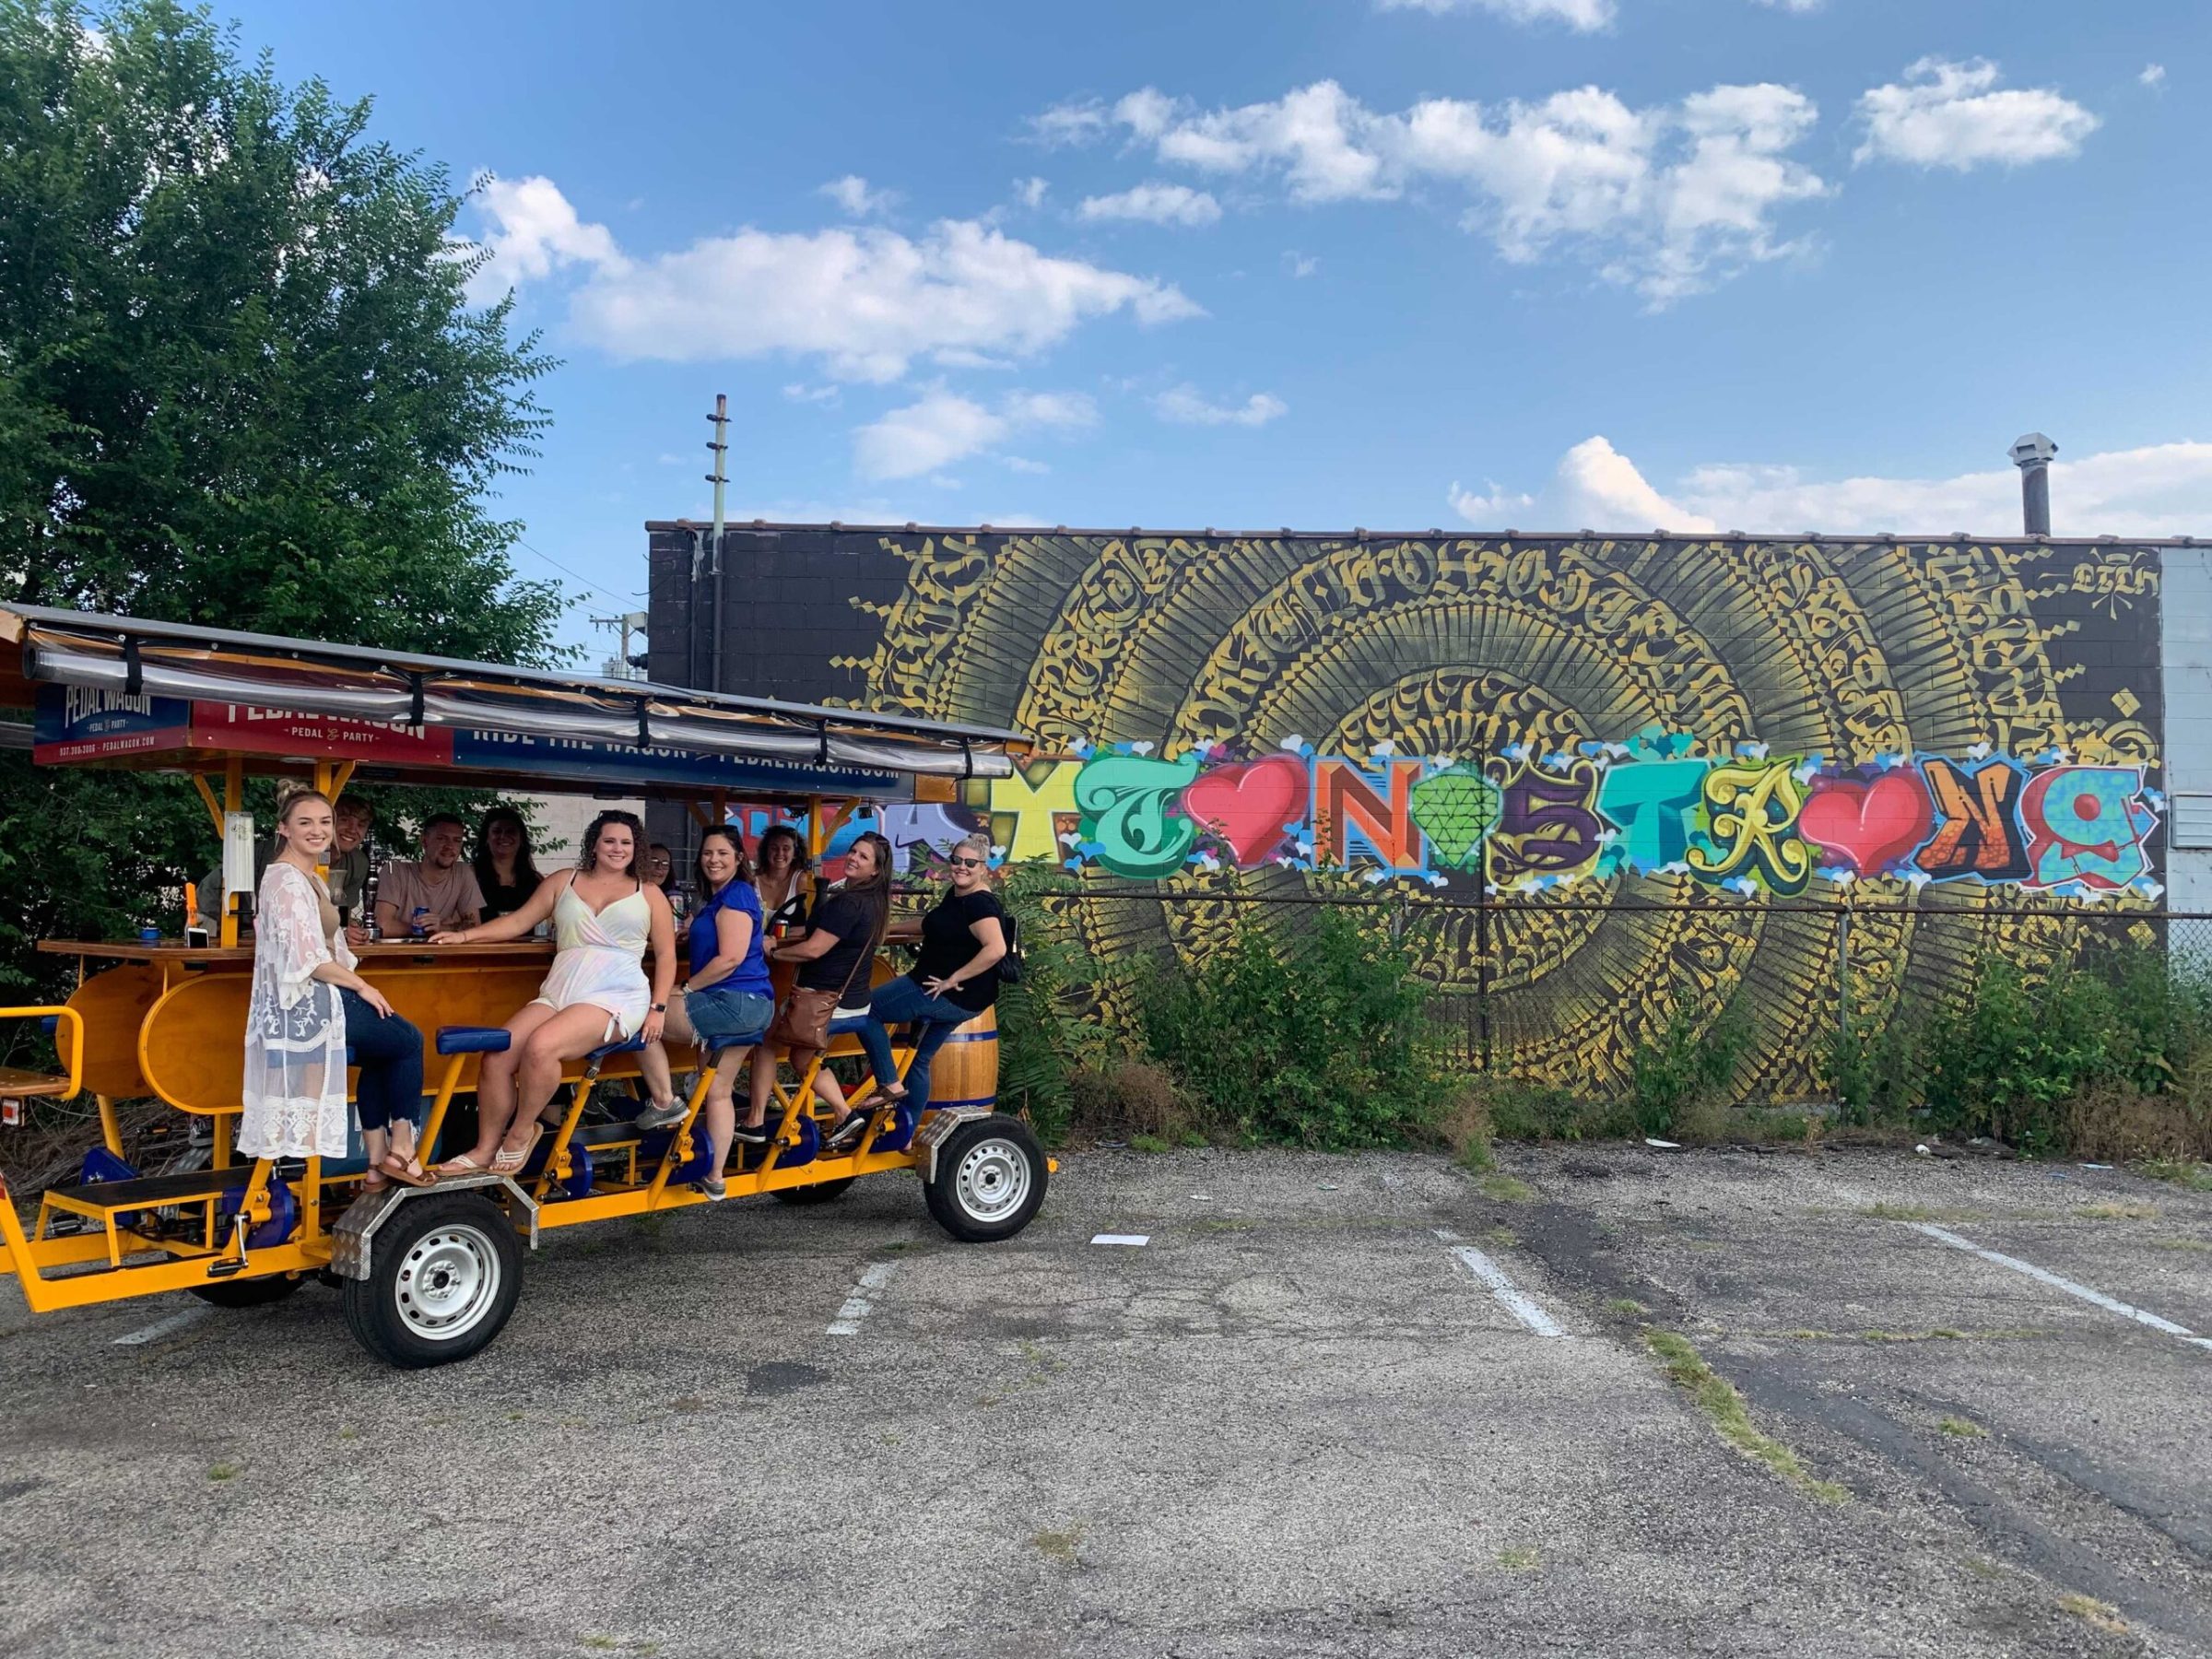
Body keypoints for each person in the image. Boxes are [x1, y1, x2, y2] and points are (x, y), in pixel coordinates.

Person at [429, 810, 676, 1176]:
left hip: (616, 993)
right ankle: (484, 1148)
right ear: (594, 844)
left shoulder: (649, 893)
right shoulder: (564, 880)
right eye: (609, 840)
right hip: (562, 988)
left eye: (626, 842)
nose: (617, 848)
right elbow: (518, 921)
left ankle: (522, 1131)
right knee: (497, 1057)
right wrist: (464, 936)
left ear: (635, 848)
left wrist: (658, 1008)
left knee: (542, 1046)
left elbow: (667, 955)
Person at [241, 786, 430, 1188]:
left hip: (317, 994)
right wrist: (362, 987)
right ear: (283, 828)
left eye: (324, 822)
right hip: (310, 1002)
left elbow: (325, 944)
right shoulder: (287, 881)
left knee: (384, 1050)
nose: (318, 830)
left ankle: (378, 1163)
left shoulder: (307, 876)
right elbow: (308, 959)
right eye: (305, 822)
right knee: (408, 1041)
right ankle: (402, 1149)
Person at [634, 827, 775, 1199]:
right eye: (708, 853)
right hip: (750, 1006)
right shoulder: (719, 899)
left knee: (635, 1013)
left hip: (733, 1002)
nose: (714, 860)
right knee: (717, 1090)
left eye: (723, 853)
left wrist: (687, 987)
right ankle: (714, 1176)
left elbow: (730, 958)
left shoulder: (737, 893)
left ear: (739, 859)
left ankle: (664, 1101)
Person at [747, 831, 892, 1151]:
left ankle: (755, 1121)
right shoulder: (874, 902)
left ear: (875, 870)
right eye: (853, 851)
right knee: (801, 1056)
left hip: (826, 1002)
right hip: (854, 1002)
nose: (853, 858)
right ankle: (844, 1114)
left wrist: (773, 951)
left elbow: (813, 949)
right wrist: (783, 936)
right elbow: (821, 932)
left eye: (863, 857)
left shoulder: (849, 903)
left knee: (767, 1042)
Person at [854, 833, 1006, 1137]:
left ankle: (888, 1084)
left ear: (983, 867)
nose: (961, 867)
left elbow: (996, 949)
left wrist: (954, 978)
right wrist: (887, 929)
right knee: (919, 1059)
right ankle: (907, 1133)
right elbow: (932, 924)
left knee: (865, 1010)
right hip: (965, 1000)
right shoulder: (958, 896)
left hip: (939, 990)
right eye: (956, 860)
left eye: (970, 863)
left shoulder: (979, 904)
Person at [375, 814, 485, 939]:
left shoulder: (463, 872)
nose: (449, 846)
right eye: (441, 839)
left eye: (457, 840)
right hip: (398, 950)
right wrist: (424, 928)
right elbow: (382, 926)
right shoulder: (394, 871)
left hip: (442, 949)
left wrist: (440, 928)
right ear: (424, 841)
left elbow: (475, 926)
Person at [473, 806, 542, 923]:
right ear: (486, 838)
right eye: (497, 831)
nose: (503, 836)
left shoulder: (536, 880)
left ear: (521, 839)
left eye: (511, 831)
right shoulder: (471, 875)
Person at [324, 794, 375, 921]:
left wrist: (347, 926)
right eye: (344, 820)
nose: (352, 830)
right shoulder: (300, 853)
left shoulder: (358, 862)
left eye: (361, 825)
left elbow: (343, 913)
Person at [753, 823, 811, 935]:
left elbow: (820, 919)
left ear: (795, 853)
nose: (780, 853)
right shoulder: (751, 880)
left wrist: (807, 928)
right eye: (774, 848)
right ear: (766, 851)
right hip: (756, 945)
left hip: (792, 945)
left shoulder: (802, 880)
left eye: (786, 848)